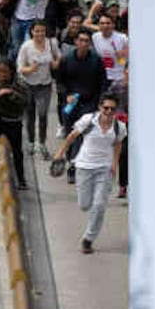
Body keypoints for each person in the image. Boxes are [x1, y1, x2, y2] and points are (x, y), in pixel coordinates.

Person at [52, 91, 124, 255]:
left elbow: (118, 144)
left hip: (104, 169)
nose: (108, 112)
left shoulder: (119, 127)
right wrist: (60, 153)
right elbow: (71, 136)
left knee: (99, 205)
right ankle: (92, 209)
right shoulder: (88, 120)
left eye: (112, 109)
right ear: (100, 107)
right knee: (84, 205)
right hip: (84, 166)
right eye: (106, 108)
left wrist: (114, 164)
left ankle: (88, 239)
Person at [54, 30, 108, 184]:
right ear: (76, 42)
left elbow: (103, 83)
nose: (84, 43)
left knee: (81, 134)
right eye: (81, 40)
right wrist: (67, 94)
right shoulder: (67, 59)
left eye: (87, 41)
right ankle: (71, 160)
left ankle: (74, 165)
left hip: (89, 103)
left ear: (90, 44)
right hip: (71, 104)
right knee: (70, 133)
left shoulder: (96, 61)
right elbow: (59, 82)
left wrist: (101, 104)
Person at [0, 57, 30, 190]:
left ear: (12, 72)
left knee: (17, 152)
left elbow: (26, 102)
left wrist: (10, 93)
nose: (2, 75)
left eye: (5, 72)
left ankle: (21, 180)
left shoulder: (20, 83)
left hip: (13, 120)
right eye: (0, 71)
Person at [17, 20, 60, 158]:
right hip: (28, 85)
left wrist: (55, 63)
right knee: (30, 115)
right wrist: (31, 69)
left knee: (42, 115)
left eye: (42, 31)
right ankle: (30, 142)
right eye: (37, 31)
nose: (40, 34)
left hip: (45, 85)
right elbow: (20, 68)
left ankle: (42, 143)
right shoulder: (26, 47)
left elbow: (58, 58)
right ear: (32, 32)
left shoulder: (51, 43)